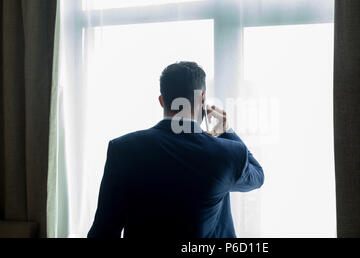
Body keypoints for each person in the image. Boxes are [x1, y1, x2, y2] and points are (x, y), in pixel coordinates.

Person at [87, 61, 264, 238]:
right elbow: (257, 176)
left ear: (161, 100)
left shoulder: (123, 149)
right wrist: (227, 130)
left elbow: (103, 231)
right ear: (202, 98)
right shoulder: (227, 153)